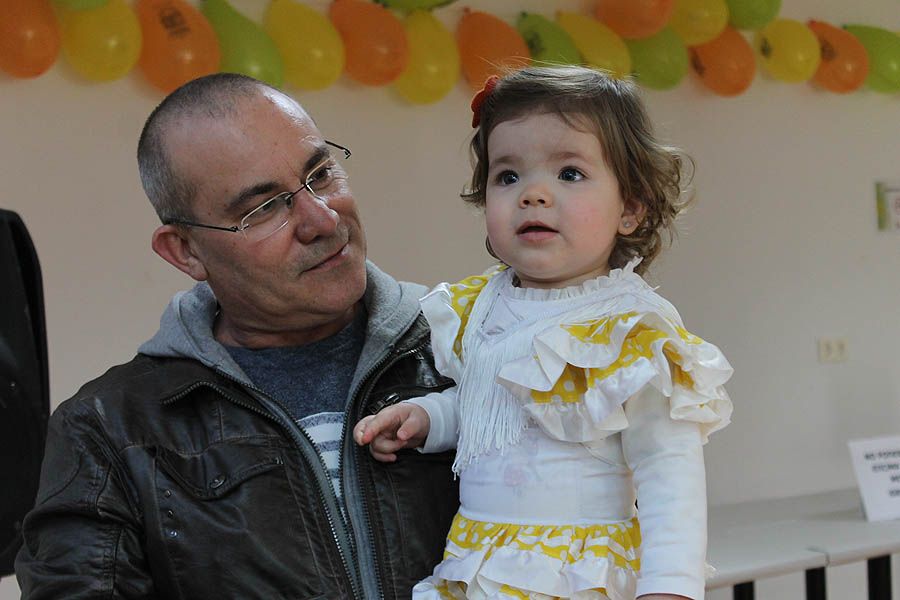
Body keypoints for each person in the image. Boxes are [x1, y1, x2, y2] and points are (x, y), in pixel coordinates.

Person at [15, 73, 459, 599]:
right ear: (185, 251)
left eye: (320, 174)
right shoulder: (111, 430)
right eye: (264, 208)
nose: (321, 219)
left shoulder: (470, 351)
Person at [354, 66, 734, 600]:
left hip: (577, 571)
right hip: (479, 564)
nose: (533, 194)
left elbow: (670, 471)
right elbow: (488, 406)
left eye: (569, 173)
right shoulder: (479, 307)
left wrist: (670, 588)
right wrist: (429, 418)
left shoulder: (627, 328)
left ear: (630, 207)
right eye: (508, 176)